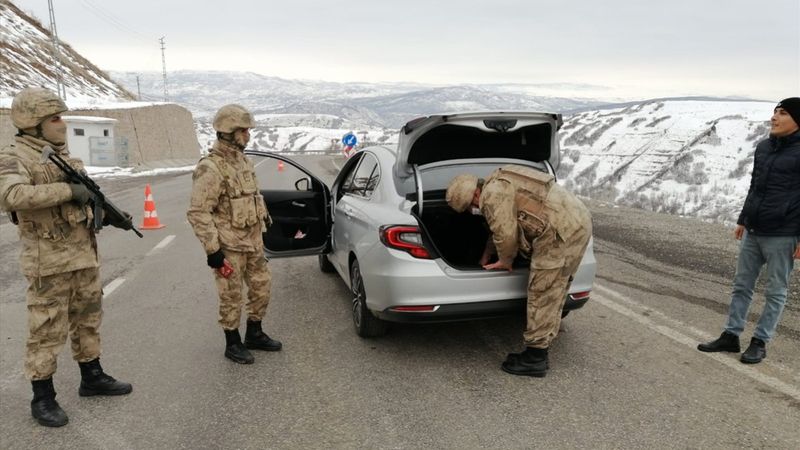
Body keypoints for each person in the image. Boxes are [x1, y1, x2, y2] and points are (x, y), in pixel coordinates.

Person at [0, 88, 133, 428]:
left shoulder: (62, 156)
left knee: (88, 317)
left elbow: (84, 197)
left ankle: (92, 376)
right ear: (34, 123)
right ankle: (43, 396)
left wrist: (109, 213)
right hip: (48, 261)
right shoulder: (14, 156)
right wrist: (68, 191)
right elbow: (11, 195)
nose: (63, 125)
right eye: (56, 119)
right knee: (46, 328)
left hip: (82, 254)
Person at [445, 164, 592, 377]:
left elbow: (506, 234)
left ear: (475, 194)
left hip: (559, 231)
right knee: (557, 285)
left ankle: (535, 358)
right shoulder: (497, 182)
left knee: (543, 290)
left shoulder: (492, 195)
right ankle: (545, 337)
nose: (472, 211)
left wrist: (505, 260)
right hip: (574, 221)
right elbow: (499, 225)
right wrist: (487, 253)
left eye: (469, 207)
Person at [698, 97, 800, 364]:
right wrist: (743, 219)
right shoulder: (764, 147)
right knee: (741, 285)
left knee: (775, 291)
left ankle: (759, 342)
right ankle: (731, 335)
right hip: (754, 229)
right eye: (774, 112)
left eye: (783, 113)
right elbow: (755, 186)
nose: (774, 117)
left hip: (784, 233)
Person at [187, 104, 281, 365]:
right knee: (231, 296)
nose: (248, 135)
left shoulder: (243, 162)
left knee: (262, 287)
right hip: (229, 246)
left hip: (253, 243)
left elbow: (253, 198)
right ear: (228, 132)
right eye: (243, 130)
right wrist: (213, 251)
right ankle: (232, 342)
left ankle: (255, 333)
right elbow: (198, 212)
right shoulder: (210, 168)